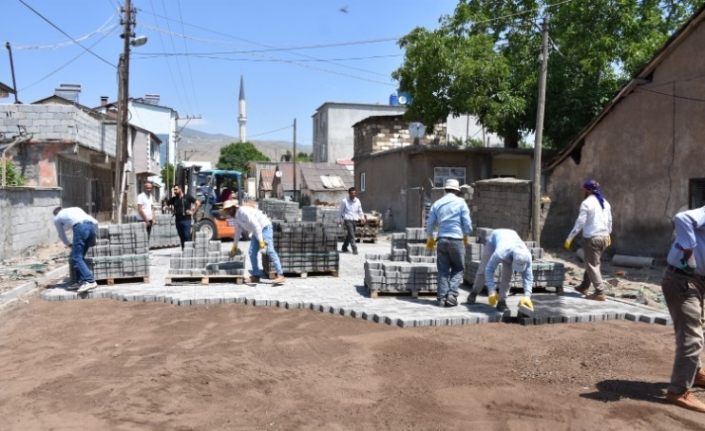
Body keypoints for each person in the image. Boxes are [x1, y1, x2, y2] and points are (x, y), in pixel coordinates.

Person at [661, 206, 705, 413]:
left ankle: (695, 373)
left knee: (696, 329)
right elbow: (682, 217)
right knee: (692, 336)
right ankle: (678, 391)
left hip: (697, 282)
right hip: (682, 280)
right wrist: (689, 247)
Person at [425, 178, 472, 307]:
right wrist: (466, 235)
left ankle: (441, 299)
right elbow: (467, 223)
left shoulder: (437, 203)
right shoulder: (461, 202)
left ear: (445, 189)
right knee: (458, 268)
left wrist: (429, 238)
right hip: (457, 239)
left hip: (441, 240)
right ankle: (451, 294)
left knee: (443, 270)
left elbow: (430, 223)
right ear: (457, 191)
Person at [564, 179, 613, 301]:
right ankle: (584, 286)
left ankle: (599, 292)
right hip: (604, 238)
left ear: (587, 190)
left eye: (584, 190)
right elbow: (610, 221)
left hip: (592, 239)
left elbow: (580, 223)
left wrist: (570, 238)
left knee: (592, 265)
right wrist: (608, 235)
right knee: (592, 262)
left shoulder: (586, 203)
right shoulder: (606, 203)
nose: (583, 192)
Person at [467, 229, 534, 312]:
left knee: (508, 276)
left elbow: (528, 277)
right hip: (494, 240)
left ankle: (502, 301)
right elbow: (489, 269)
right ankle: (474, 292)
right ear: (513, 259)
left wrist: (527, 296)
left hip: (511, 237)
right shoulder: (501, 252)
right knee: (483, 270)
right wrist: (491, 290)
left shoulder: (527, 256)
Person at [222, 199, 286, 284]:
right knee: (252, 252)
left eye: (228, 210)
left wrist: (262, 243)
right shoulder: (236, 218)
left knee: (269, 250)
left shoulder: (243, 212)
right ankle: (256, 276)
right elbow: (237, 233)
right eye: (226, 211)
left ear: (233, 208)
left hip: (264, 227)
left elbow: (256, 225)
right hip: (256, 231)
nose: (228, 212)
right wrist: (234, 247)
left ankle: (280, 275)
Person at [53, 206, 98, 293]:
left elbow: (61, 234)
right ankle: (79, 282)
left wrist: (69, 244)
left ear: (55, 214)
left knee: (76, 257)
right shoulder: (76, 209)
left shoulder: (57, 218)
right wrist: (95, 237)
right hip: (91, 227)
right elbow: (96, 222)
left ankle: (90, 281)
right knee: (79, 257)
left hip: (80, 228)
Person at [166, 185, 200, 249]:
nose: (175, 191)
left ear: (180, 189)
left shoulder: (187, 197)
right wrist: (172, 210)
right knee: (181, 237)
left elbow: (198, 203)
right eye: (174, 190)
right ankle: (184, 251)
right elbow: (166, 205)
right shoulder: (174, 199)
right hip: (178, 221)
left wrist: (193, 212)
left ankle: (189, 250)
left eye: (176, 189)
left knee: (186, 236)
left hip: (186, 220)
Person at [339, 187, 365, 255]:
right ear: (349, 193)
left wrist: (362, 217)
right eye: (352, 194)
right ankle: (354, 249)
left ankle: (344, 247)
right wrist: (339, 220)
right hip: (347, 219)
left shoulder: (358, 201)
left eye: (354, 193)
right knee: (352, 235)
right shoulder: (344, 201)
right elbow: (340, 211)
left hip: (355, 220)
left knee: (350, 235)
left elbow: (360, 210)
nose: (353, 195)